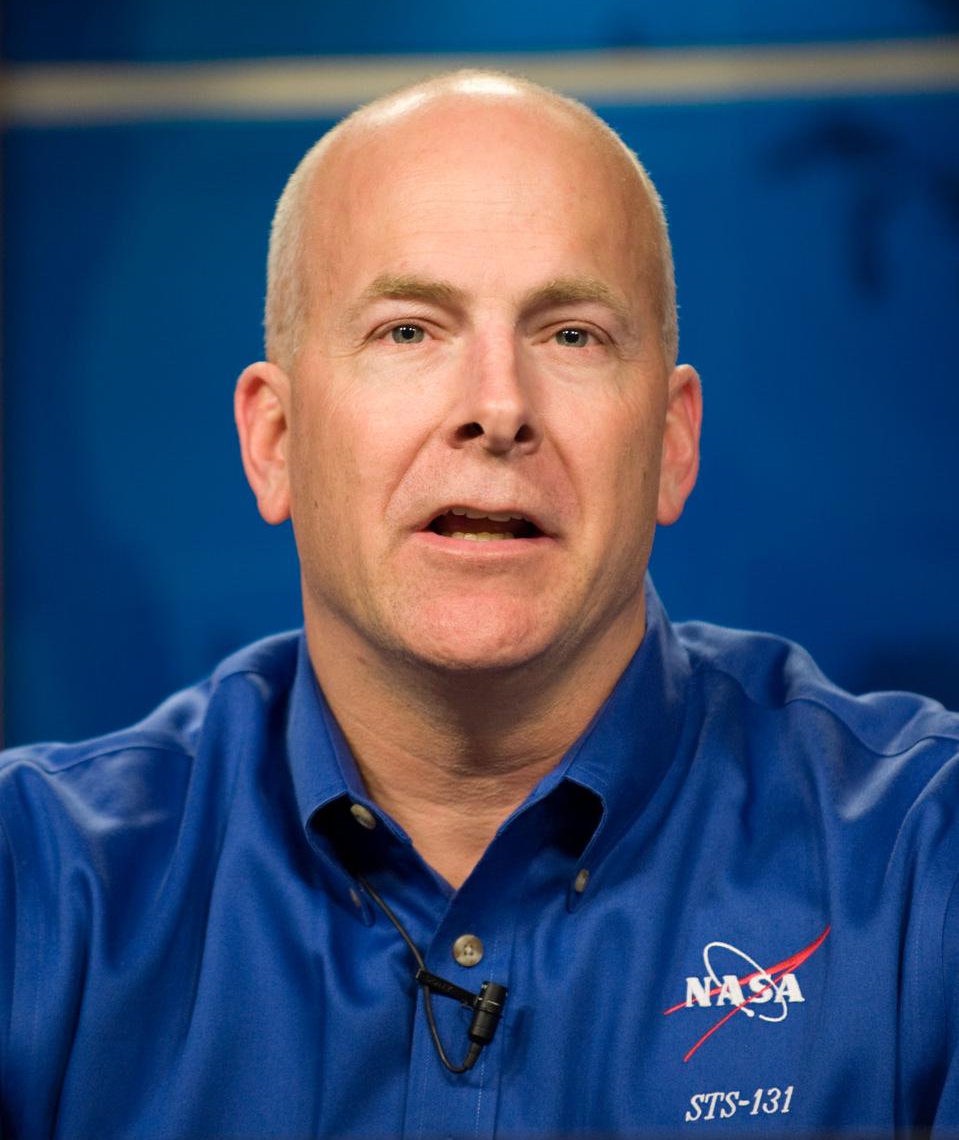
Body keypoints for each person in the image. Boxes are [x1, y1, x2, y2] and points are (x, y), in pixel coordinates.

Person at [1, 70, 958, 1138]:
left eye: (571, 335)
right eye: (409, 330)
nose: (496, 407)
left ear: (671, 445)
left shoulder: (922, 864)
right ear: (274, 441)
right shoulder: (35, 881)